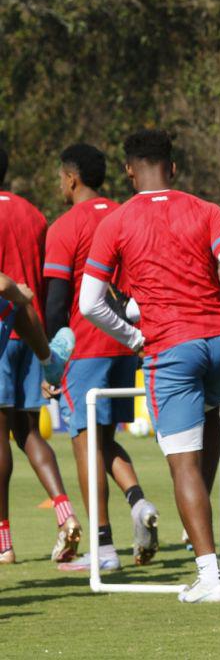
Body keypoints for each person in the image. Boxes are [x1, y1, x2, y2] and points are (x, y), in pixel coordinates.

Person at [81, 129, 220, 603]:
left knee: (182, 465)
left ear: (129, 171)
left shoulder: (116, 221)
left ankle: (209, 576)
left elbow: (90, 303)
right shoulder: (206, 210)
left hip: (170, 348)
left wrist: (134, 337)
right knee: (209, 419)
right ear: (173, 168)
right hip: (219, 342)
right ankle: (201, 529)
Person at [43, 143, 161, 572]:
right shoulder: (127, 214)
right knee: (105, 438)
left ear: (72, 178)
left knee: (83, 443)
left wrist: (50, 362)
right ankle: (138, 501)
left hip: (84, 347)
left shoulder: (65, 226)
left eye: (61, 177)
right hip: (125, 342)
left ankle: (104, 548)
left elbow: (56, 303)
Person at [0, 147, 80, 566]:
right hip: (31, 333)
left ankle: (4, 543)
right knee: (29, 432)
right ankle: (64, 514)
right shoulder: (33, 215)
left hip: (0, 327)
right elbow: (45, 282)